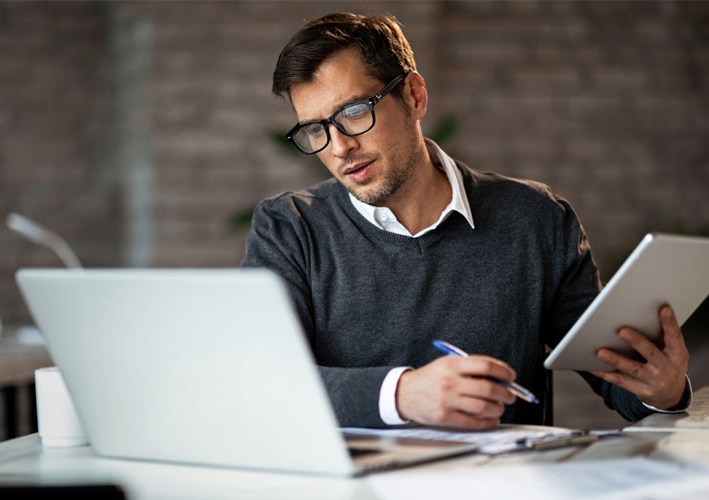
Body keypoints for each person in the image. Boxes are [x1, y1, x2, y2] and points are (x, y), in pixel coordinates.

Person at [241, 12, 691, 429]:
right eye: (316, 129)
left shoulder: (536, 219)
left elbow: (618, 379)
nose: (338, 148)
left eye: (354, 112)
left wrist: (663, 391)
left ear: (414, 96)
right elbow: (260, 381)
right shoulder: (289, 228)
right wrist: (402, 394)